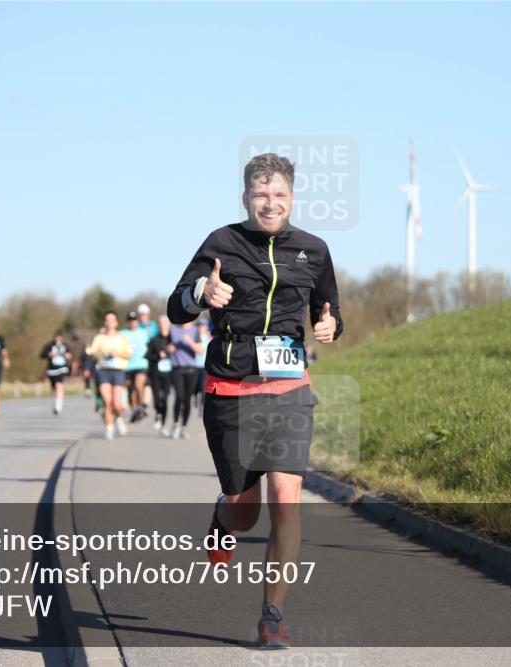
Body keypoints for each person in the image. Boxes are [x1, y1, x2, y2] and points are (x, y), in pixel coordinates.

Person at [167, 153, 342, 648]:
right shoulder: (221, 243)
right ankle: (223, 514)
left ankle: (272, 616)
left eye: (280, 195)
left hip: (289, 388)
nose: (271, 204)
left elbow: (327, 309)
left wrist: (331, 326)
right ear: (247, 198)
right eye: (261, 195)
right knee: (247, 513)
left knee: (286, 500)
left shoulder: (314, 249)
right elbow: (176, 306)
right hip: (232, 388)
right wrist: (203, 291)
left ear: (292, 197)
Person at [86, 310, 133, 439]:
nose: (109, 322)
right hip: (103, 370)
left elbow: (128, 354)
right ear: (104, 322)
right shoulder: (99, 338)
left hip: (118, 371)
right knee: (107, 401)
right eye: (107, 320)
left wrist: (117, 354)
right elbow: (90, 351)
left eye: (112, 320)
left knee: (117, 404)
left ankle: (118, 418)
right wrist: (97, 353)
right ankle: (109, 428)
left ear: (116, 322)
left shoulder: (122, 338)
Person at [166, 320, 204, 439]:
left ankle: (184, 427)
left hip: (192, 370)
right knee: (179, 396)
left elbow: (200, 350)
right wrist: (170, 348)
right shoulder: (173, 330)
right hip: (177, 368)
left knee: (187, 399)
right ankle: (175, 424)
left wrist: (190, 341)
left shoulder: (194, 331)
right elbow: (167, 347)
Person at [121, 311, 152, 423]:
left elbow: (150, 346)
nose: (132, 322)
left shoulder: (143, 333)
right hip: (127, 365)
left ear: (137, 321)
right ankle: (135, 409)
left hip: (141, 364)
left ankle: (139, 407)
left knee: (139, 386)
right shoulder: (123, 333)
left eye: (134, 320)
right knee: (129, 388)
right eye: (130, 320)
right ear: (128, 322)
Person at [146, 315, 173, 433]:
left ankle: (163, 423)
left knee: (165, 399)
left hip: (169, 374)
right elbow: (147, 355)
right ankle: (158, 413)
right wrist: (157, 356)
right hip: (156, 374)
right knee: (157, 399)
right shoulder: (154, 339)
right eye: (161, 324)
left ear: (168, 325)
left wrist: (171, 352)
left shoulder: (173, 339)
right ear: (158, 326)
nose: (163, 326)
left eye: (165, 324)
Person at [40, 331, 71, 415]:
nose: (58, 339)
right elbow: (42, 355)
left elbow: (69, 355)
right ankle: (57, 400)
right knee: (54, 388)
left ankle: (58, 405)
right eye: (57, 338)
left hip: (62, 368)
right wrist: (49, 355)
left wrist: (68, 356)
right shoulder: (49, 346)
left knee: (59, 386)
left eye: (60, 338)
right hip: (52, 369)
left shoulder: (65, 345)